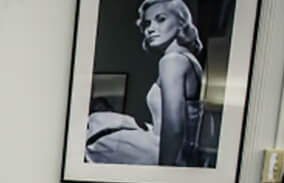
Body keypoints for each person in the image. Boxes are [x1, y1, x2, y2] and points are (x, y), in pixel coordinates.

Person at [86, 0, 204, 166]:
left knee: (96, 128)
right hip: (176, 152)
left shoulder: (172, 61)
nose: (150, 28)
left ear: (180, 22)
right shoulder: (188, 60)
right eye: (147, 23)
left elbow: (174, 128)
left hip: (167, 155)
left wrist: (165, 173)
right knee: (101, 120)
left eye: (161, 19)